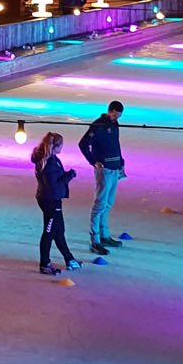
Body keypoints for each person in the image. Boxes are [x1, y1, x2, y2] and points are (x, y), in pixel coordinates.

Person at [78, 101, 127, 255]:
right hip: (104, 169)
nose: (115, 118)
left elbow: (115, 143)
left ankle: (104, 235)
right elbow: (83, 144)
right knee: (99, 204)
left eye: (118, 116)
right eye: (114, 114)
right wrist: (93, 161)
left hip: (114, 167)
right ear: (109, 111)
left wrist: (121, 161)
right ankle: (95, 240)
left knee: (108, 203)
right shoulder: (98, 125)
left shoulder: (115, 124)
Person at [32, 133, 81, 276]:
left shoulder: (50, 159)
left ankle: (69, 258)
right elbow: (53, 184)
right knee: (49, 231)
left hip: (52, 199)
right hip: (50, 200)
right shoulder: (49, 163)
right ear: (55, 146)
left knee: (59, 230)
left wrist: (66, 175)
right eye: (61, 145)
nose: (62, 148)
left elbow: (55, 179)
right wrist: (70, 175)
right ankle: (44, 263)